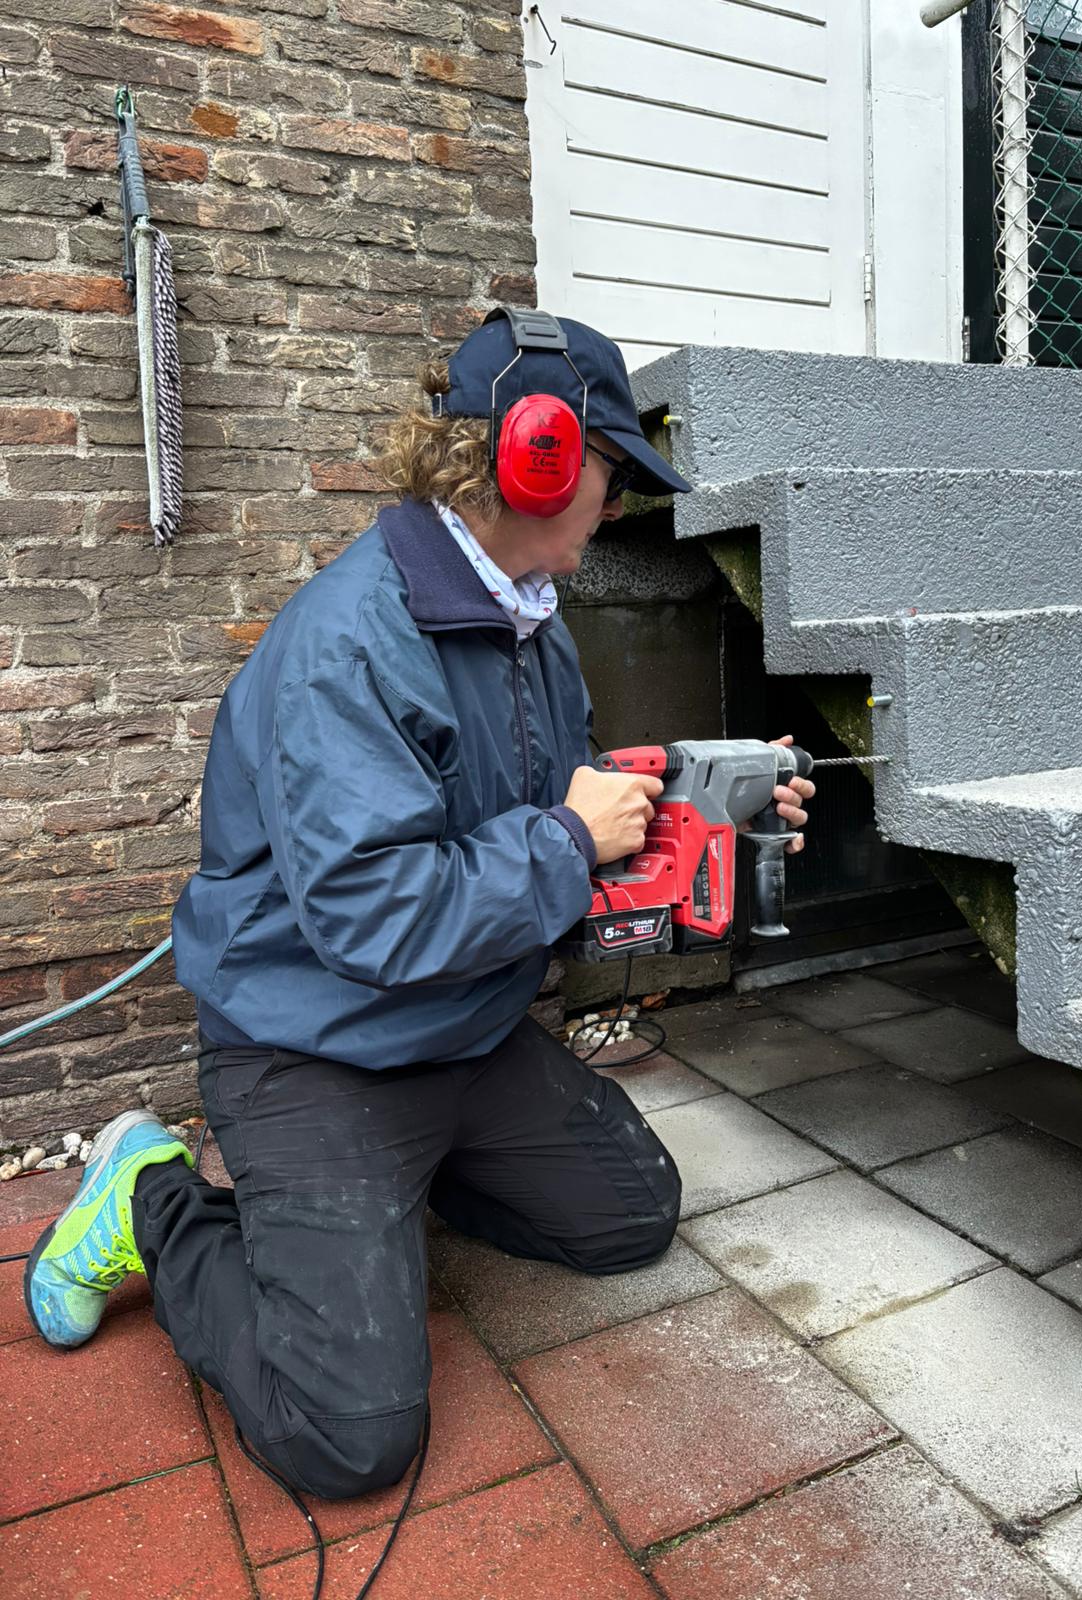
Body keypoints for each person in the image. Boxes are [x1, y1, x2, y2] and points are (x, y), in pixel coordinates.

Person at [24, 309, 815, 1502]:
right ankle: (151, 1197)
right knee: (350, 1436)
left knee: (630, 1213)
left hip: (462, 1026)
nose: (615, 507)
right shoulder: (352, 641)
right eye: (612, 476)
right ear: (541, 458)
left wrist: (710, 812)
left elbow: (553, 823)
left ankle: (381, 1209)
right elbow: (374, 911)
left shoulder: (532, 625)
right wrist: (569, 839)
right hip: (313, 1044)